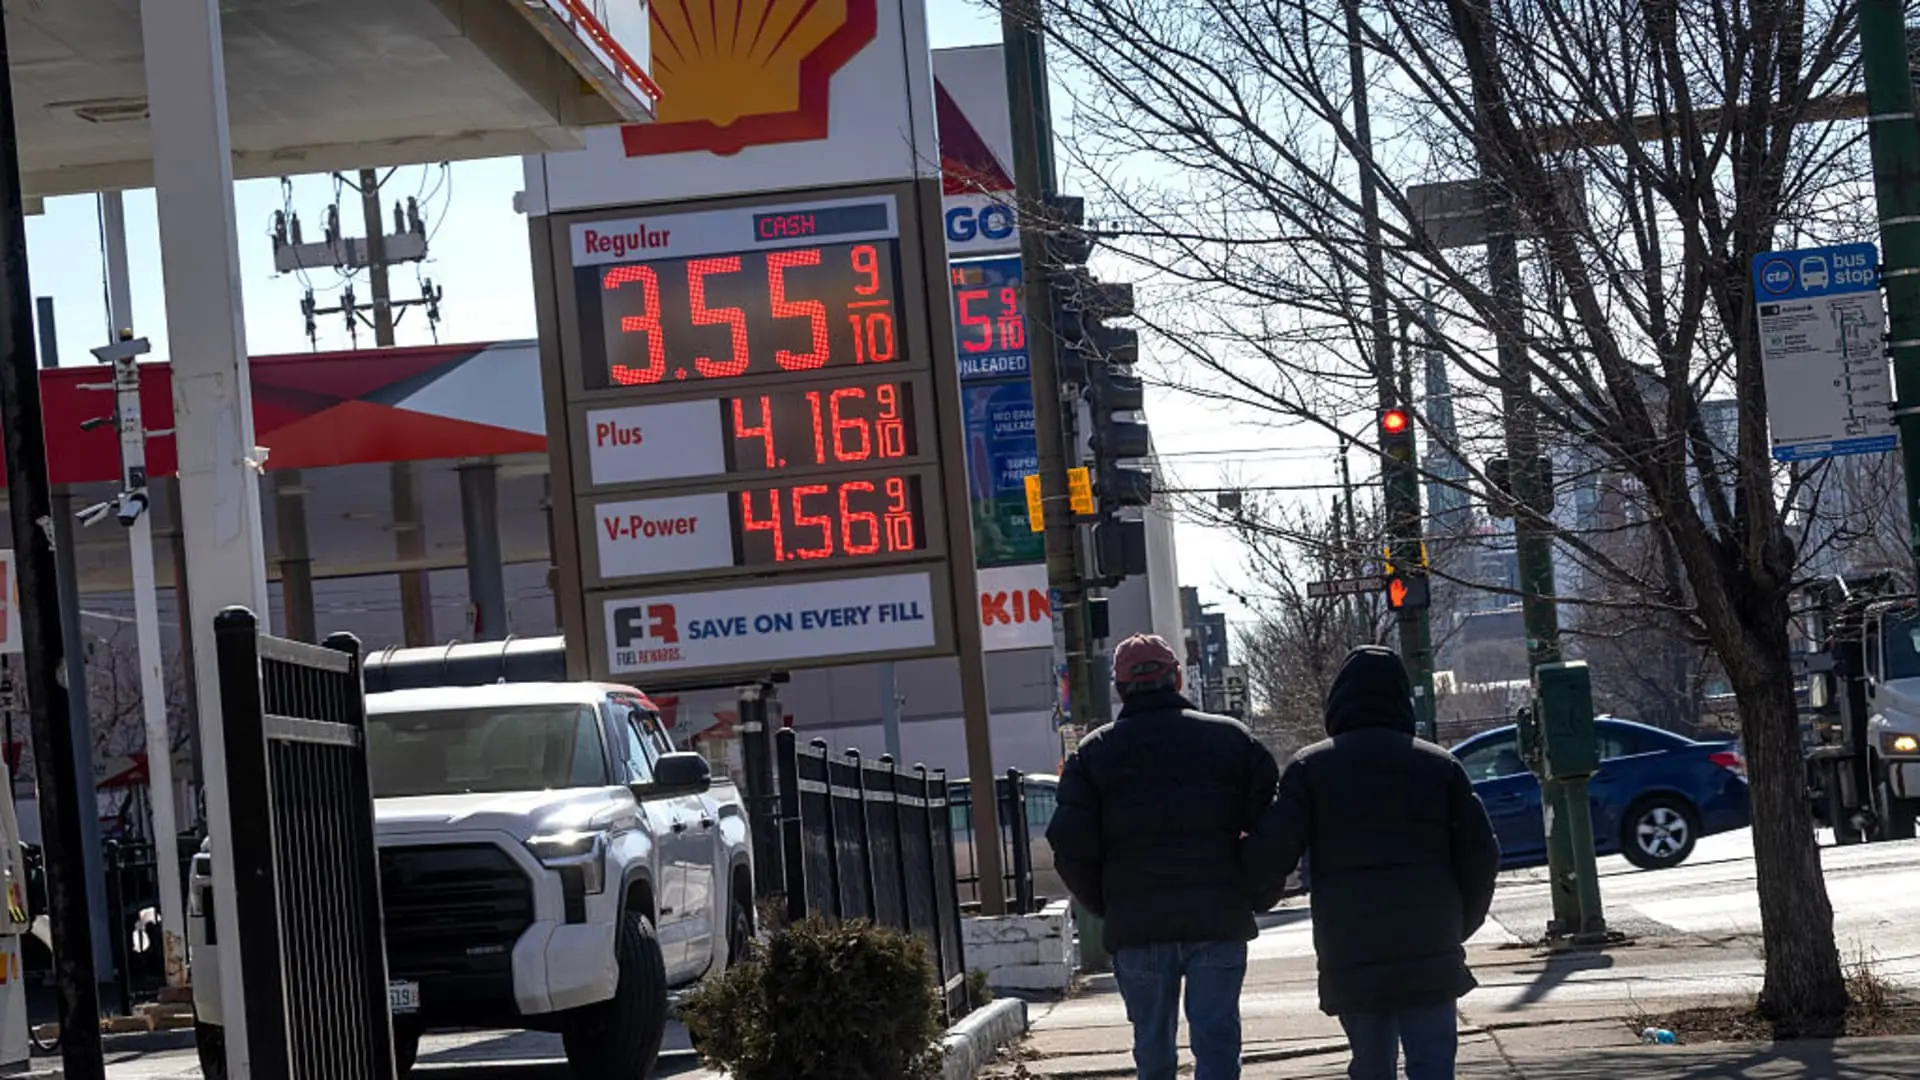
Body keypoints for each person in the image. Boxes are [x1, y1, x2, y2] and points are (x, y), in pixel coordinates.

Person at [1243, 645, 1500, 1080]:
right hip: (1429, 941)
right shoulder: (1440, 767)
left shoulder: (1311, 768)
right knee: (1434, 1063)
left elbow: (1274, 852)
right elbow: (1482, 855)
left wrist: (1246, 888)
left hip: (1351, 945)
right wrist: (1459, 923)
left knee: (1371, 1065)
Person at [1045, 633, 1279, 1080]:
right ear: (1176, 680)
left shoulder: (1093, 754)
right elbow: (1274, 828)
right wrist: (1252, 890)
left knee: (1152, 1051)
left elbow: (1069, 844)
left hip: (1137, 925)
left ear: (1120, 690)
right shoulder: (1232, 741)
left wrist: (1108, 903)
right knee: (1217, 1046)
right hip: (1217, 919)